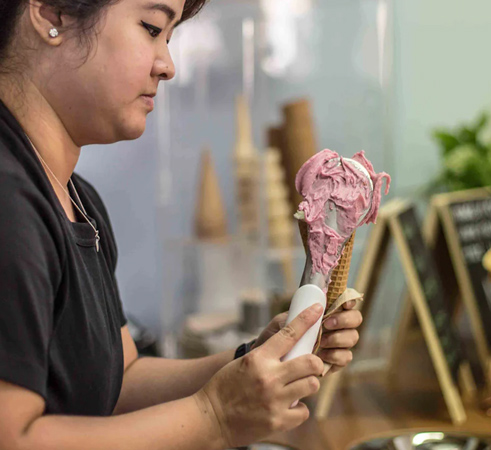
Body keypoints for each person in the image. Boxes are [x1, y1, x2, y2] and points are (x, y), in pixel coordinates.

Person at [0, 0, 364, 449]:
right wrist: (214, 415)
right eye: (151, 28)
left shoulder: (77, 199)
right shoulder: (9, 202)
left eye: (168, 38)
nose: (168, 66)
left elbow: (121, 381)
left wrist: (254, 360)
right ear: (52, 13)